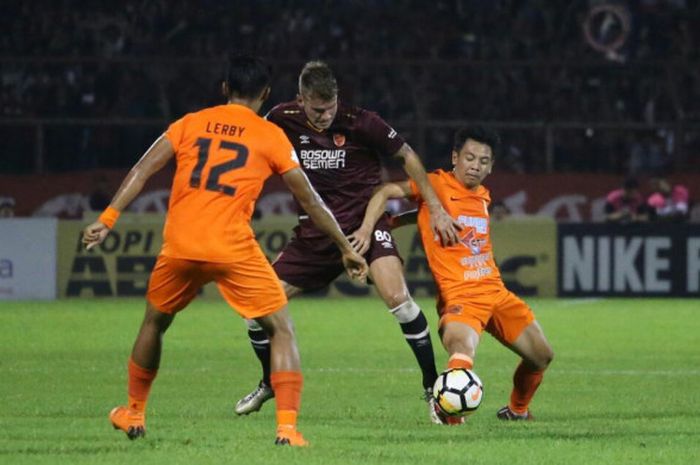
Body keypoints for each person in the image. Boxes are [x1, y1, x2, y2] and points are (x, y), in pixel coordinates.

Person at [82, 55, 368, 447]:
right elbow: (313, 200)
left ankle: (133, 411)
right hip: (231, 247)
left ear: (224, 89)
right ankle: (287, 429)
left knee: (154, 323)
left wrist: (108, 217)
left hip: (181, 244)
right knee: (281, 329)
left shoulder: (190, 123)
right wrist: (344, 248)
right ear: (266, 94)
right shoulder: (269, 136)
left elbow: (143, 168)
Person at [234, 61, 462, 424]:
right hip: (315, 235)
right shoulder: (281, 117)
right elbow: (252, 147)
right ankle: (268, 382)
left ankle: (432, 389)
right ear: (301, 100)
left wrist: (434, 206)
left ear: (337, 98)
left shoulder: (362, 122)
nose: (324, 116)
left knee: (399, 301)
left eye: (329, 107)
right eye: (316, 109)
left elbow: (407, 156)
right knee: (253, 310)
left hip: (365, 229)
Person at [359, 126, 554, 424]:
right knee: (462, 351)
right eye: (470, 157)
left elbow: (442, 218)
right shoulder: (435, 183)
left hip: (495, 291)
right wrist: (370, 228)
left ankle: (516, 411)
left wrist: (406, 220)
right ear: (455, 157)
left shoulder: (483, 197)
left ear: (491, 167)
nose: (475, 165)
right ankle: (447, 412)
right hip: (460, 296)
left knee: (541, 356)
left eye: (484, 161)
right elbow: (385, 191)